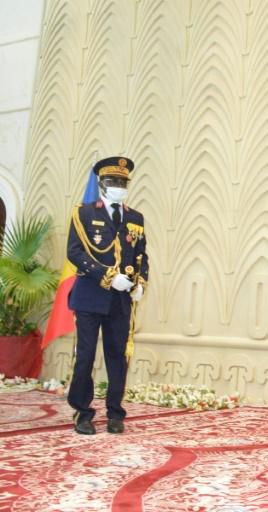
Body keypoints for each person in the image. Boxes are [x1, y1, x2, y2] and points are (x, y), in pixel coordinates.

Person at [66, 156, 149, 435]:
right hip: (90, 295)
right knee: (86, 356)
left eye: (123, 182)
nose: (119, 187)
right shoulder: (84, 213)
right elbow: (75, 253)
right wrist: (110, 277)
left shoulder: (136, 218)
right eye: (113, 182)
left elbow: (141, 256)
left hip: (121, 301)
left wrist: (140, 283)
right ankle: (83, 412)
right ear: (101, 184)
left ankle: (115, 412)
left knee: (117, 356)